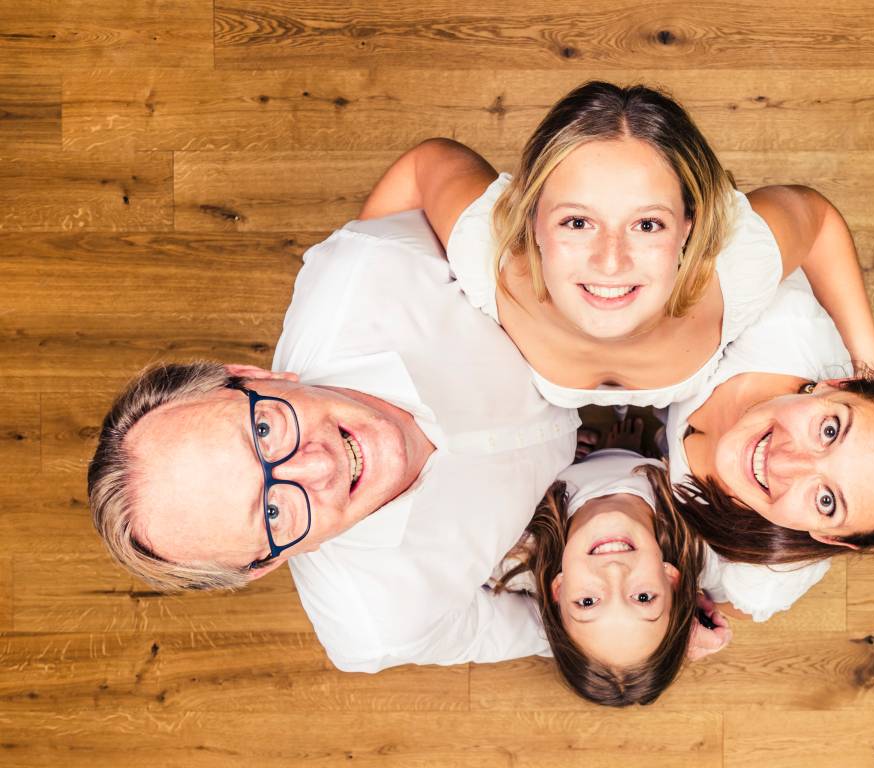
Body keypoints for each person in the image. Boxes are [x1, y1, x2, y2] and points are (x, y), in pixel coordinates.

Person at [87, 210, 580, 671]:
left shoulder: (366, 274)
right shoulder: (379, 628)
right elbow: (559, 628)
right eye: (273, 513)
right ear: (267, 563)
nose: (320, 466)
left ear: (254, 376)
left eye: (263, 431)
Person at [359, 81, 874, 408]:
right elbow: (426, 163)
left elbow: (816, 220)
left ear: (689, 227)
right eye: (577, 222)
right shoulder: (484, 249)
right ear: (532, 220)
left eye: (647, 225)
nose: (611, 263)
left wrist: (871, 375)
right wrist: (356, 312)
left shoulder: (739, 263)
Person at [664, 271, 874, 634]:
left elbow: (740, 606)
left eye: (826, 501)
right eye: (830, 431)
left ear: (827, 536)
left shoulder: (766, 575)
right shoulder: (778, 317)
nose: (784, 462)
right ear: (835, 386)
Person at [493, 449, 706, 706]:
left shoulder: (513, 543)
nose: (613, 570)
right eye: (643, 597)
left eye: (587, 602)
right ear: (670, 578)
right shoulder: (698, 519)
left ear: (559, 588)